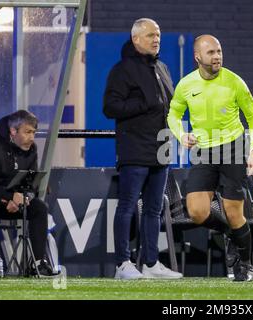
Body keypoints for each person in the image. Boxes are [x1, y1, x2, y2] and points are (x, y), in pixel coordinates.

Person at [167, 35, 253, 281]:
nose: (217, 56)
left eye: (219, 51)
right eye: (211, 52)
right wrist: (180, 135)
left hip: (233, 147)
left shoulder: (234, 82)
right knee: (197, 211)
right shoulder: (186, 85)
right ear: (198, 57)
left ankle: (246, 264)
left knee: (233, 212)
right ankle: (230, 234)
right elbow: (173, 115)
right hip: (203, 151)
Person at [103, 18, 182, 280]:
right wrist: (143, 105)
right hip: (135, 148)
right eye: (150, 35)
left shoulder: (162, 67)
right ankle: (123, 264)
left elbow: (167, 106)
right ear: (136, 39)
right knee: (127, 206)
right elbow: (110, 107)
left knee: (154, 209)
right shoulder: (122, 70)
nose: (156, 39)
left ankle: (150, 262)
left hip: (161, 147)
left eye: (158, 35)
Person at [0, 110, 55, 277]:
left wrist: (24, 197)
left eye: (34, 132)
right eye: (28, 132)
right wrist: (7, 198)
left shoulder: (31, 149)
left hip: (15, 201)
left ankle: (38, 264)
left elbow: (31, 182)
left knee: (39, 207)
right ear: (13, 131)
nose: (32, 137)